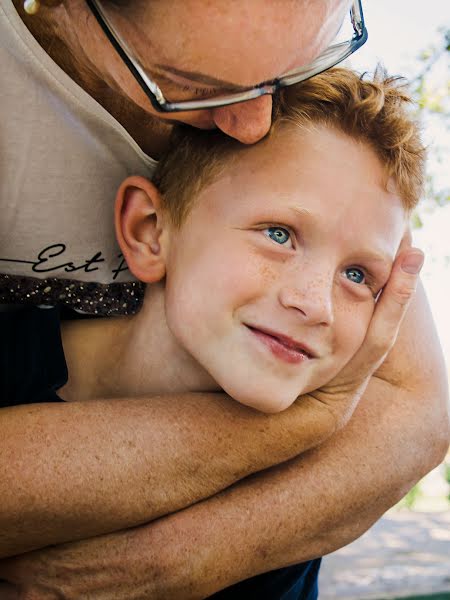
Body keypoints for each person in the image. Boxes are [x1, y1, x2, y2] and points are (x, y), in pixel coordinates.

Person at [0, 0, 448, 597]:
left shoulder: (318, 129)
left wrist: (174, 560)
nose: (258, 122)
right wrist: (312, 422)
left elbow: (417, 410)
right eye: (195, 87)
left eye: (287, 73)